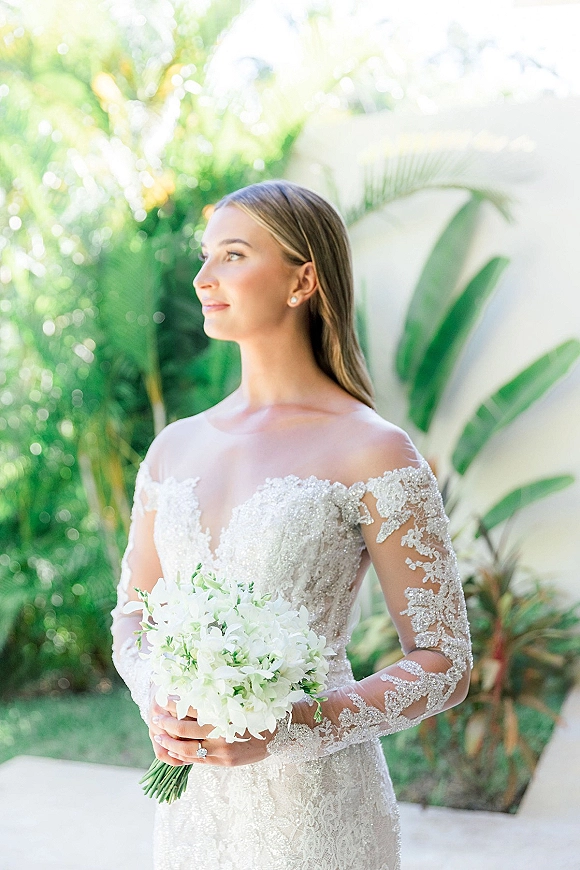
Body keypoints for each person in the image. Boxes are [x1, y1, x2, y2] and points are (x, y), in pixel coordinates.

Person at [110, 178, 472, 869]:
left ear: (302, 279)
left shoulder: (374, 449)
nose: (203, 277)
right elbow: (134, 612)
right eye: (206, 256)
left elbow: (444, 662)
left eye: (233, 256)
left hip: (319, 813)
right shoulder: (174, 447)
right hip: (195, 815)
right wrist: (159, 694)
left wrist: (288, 728)